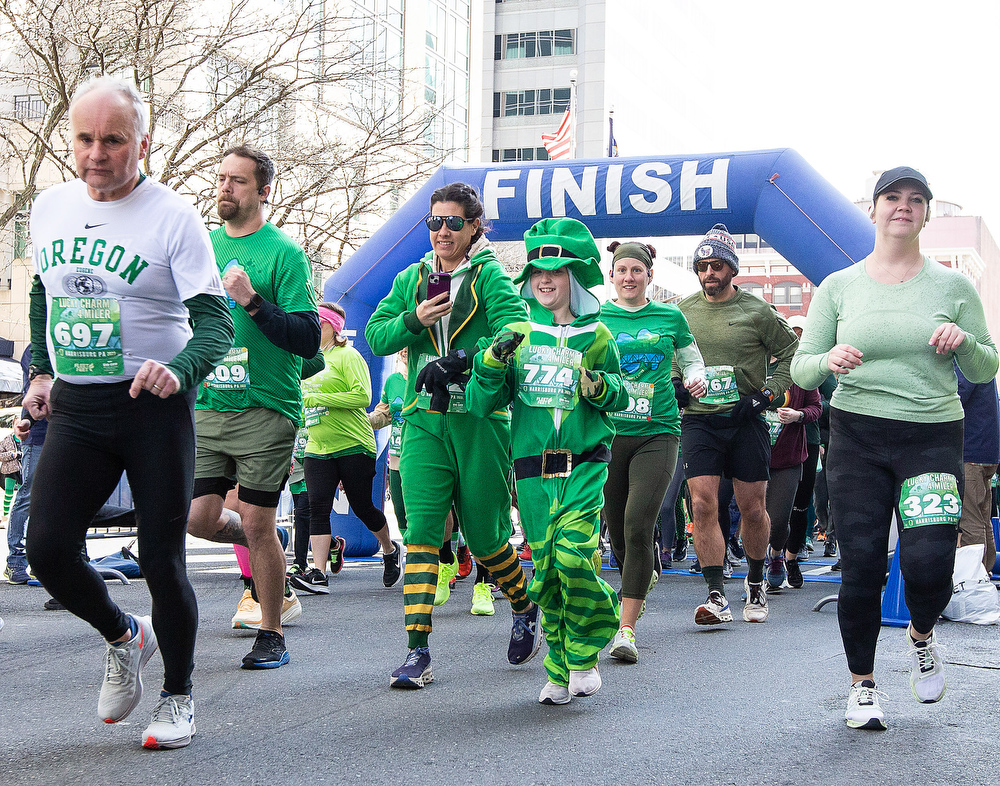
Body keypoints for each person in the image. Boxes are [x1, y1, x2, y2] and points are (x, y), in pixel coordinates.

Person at [22, 76, 234, 749]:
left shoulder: (172, 216)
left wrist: (178, 370)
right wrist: (42, 370)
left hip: (153, 406)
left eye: (113, 140)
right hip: (80, 406)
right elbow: (44, 294)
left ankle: (178, 694)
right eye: (84, 139)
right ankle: (123, 634)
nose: (97, 154)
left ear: (143, 142)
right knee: (47, 549)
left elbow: (215, 323)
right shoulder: (49, 206)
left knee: (160, 555)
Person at [791, 166, 998, 730]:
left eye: (915, 200)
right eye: (892, 198)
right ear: (874, 209)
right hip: (857, 433)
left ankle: (923, 635)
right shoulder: (840, 286)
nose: (903, 207)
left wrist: (964, 343)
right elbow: (801, 365)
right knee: (861, 566)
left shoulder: (952, 287)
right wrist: (827, 361)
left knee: (928, 564)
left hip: (931, 435)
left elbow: (986, 361)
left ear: (926, 214)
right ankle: (862, 685)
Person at [366, 181, 539, 689]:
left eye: (453, 223)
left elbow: (518, 330)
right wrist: (414, 320)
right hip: (422, 419)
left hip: (479, 419)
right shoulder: (412, 277)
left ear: (474, 227)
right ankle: (417, 652)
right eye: (434, 222)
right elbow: (377, 334)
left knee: (486, 539)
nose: (442, 232)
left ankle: (524, 606)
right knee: (421, 532)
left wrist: (468, 358)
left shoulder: (490, 278)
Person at [465, 217, 627, 703]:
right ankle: (560, 669)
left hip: (584, 462)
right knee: (549, 573)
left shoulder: (599, 335)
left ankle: (586, 652)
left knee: (573, 557)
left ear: (574, 277)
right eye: (537, 271)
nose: (544, 280)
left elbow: (620, 395)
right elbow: (479, 402)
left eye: (556, 271)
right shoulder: (514, 334)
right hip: (532, 470)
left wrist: (598, 387)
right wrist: (490, 361)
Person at [185, 144, 319, 670]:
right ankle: (272, 558)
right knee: (197, 519)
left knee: (259, 522)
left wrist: (253, 302)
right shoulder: (202, 246)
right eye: (221, 179)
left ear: (263, 191)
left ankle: (271, 632)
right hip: (210, 402)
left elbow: (308, 339)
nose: (224, 189)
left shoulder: (283, 253)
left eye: (237, 181)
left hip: (266, 405)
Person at [674, 223, 798, 625]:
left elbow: (793, 355)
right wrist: (676, 385)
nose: (709, 273)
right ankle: (715, 594)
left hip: (745, 420)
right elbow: (670, 355)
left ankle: (757, 582)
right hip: (700, 420)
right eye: (703, 266)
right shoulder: (683, 311)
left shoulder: (758, 312)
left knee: (752, 507)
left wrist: (764, 396)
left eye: (717, 265)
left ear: (732, 270)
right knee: (703, 503)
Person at [598, 240, 705, 662]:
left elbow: (692, 359)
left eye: (636, 271)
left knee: (639, 524)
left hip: (657, 431)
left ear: (648, 276)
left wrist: (695, 379)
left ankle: (626, 630)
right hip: (607, 432)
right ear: (612, 275)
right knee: (619, 532)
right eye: (621, 269)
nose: (628, 277)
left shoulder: (669, 315)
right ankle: (643, 575)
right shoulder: (596, 315)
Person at [292, 302, 401, 593]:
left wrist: (322, 398)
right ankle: (318, 573)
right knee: (317, 507)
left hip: (353, 443)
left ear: (332, 328)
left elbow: (363, 396)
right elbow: (302, 401)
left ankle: (389, 550)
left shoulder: (347, 356)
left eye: (318, 324)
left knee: (362, 506)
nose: (313, 330)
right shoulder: (308, 360)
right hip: (317, 445)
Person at [762, 372, 821, 589]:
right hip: (754, 453)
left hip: (791, 454)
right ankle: (756, 577)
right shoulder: (753, 360)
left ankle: (782, 554)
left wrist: (798, 415)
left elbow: (819, 405)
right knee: (754, 518)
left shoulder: (801, 370)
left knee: (781, 519)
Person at [955, 366, 999, 574]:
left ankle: (974, 575)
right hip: (986, 453)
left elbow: (956, 394)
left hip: (970, 451)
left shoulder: (966, 364)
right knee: (983, 518)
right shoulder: (982, 362)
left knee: (969, 518)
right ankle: (986, 571)